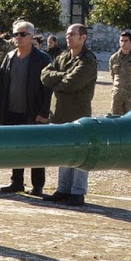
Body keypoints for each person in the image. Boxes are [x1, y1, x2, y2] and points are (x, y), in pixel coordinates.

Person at [40, 23, 99, 206]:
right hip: (59, 113)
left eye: (73, 34)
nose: (69, 37)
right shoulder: (63, 56)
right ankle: (63, 189)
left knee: (80, 153)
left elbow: (73, 83)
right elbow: (44, 75)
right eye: (67, 34)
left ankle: (77, 192)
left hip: (78, 115)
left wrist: (58, 81)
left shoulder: (88, 60)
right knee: (64, 153)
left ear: (83, 37)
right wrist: (62, 76)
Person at [0, 20, 52, 195]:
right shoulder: (9, 57)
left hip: (33, 112)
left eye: (23, 34)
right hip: (11, 111)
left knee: (36, 150)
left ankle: (38, 185)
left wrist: (44, 112)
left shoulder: (42, 59)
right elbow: (1, 83)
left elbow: (47, 89)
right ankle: (16, 182)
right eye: (16, 34)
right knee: (15, 149)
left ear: (32, 37)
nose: (18, 37)